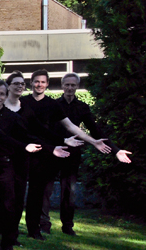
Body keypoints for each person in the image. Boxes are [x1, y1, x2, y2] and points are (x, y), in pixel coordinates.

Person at [21, 69, 110, 240]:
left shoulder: (67, 106)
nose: (70, 88)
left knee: (60, 190)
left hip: (60, 151)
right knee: (37, 190)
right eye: (36, 81)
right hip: (41, 149)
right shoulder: (37, 103)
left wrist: (98, 143)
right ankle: (37, 225)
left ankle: (55, 227)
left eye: (73, 85)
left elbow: (76, 127)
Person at [52, 73, 132, 234]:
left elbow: (96, 131)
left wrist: (115, 150)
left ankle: (67, 226)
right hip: (53, 150)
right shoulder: (53, 105)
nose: (69, 88)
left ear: (77, 87)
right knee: (44, 188)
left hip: (72, 153)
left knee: (70, 191)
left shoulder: (82, 107)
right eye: (67, 84)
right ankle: (42, 226)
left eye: (73, 85)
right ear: (62, 86)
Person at [0, 81, 43, 250]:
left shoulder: (14, 118)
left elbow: (25, 139)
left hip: (5, 167)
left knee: (9, 207)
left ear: (6, 96)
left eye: (2, 94)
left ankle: (7, 244)